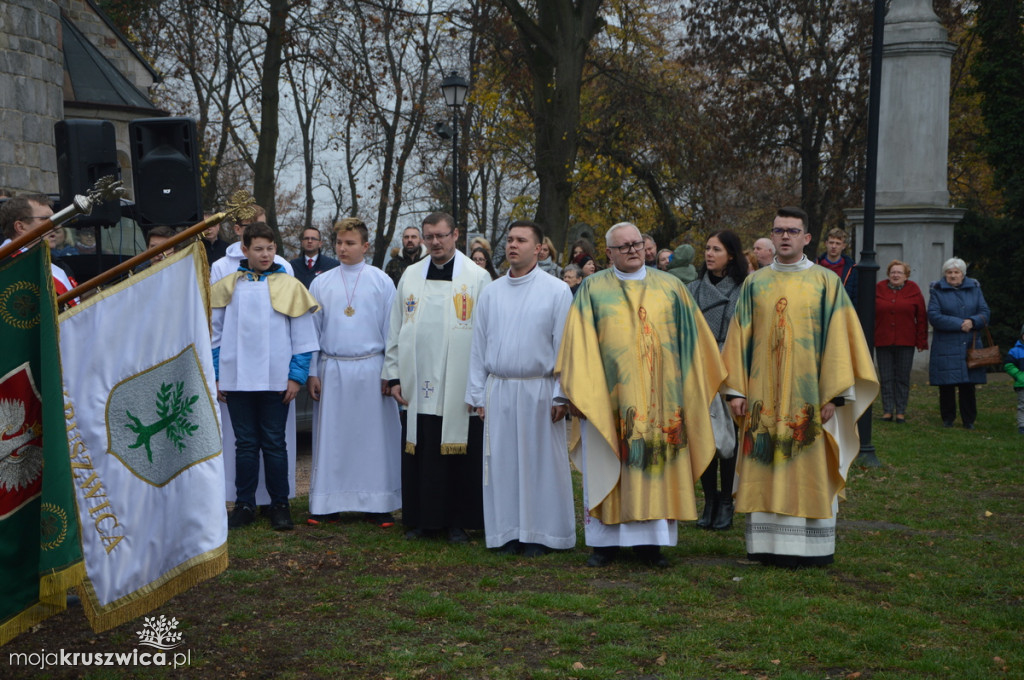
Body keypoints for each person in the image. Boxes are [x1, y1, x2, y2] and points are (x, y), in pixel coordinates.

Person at [556, 222, 725, 568]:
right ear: (609, 253)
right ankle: (604, 545)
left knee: (656, 466)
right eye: (624, 246)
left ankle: (651, 545)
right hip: (607, 399)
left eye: (637, 243)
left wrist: (692, 388)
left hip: (661, 399)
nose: (633, 250)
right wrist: (576, 392)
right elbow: (577, 344)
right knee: (608, 460)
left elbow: (695, 344)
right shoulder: (591, 289)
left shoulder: (671, 287)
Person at [722, 206, 877, 567]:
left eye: (793, 231)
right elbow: (738, 338)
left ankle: (811, 549)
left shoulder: (826, 282)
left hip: (810, 397)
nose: (786, 236)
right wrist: (736, 391)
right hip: (763, 395)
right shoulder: (755, 283)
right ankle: (766, 546)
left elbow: (839, 340)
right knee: (764, 458)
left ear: (806, 238)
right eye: (779, 231)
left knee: (808, 462)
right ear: (772, 237)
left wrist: (834, 395)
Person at [466, 220, 575, 556]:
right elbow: (478, 345)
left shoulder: (556, 291)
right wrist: (476, 393)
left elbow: (564, 349)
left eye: (521, 240)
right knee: (502, 464)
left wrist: (562, 393)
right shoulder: (492, 291)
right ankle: (507, 533)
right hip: (499, 389)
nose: (513, 245)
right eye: (510, 239)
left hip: (539, 390)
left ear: (539, 248)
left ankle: (543, 534)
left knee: (540, 464)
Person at [383, 212, 491, 543]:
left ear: (455, 234)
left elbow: (487, 333)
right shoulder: (411, 276)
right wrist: (393, 375)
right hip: (418, 380)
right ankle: (419, 520)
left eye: (441, 236)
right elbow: (396, 327)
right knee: (423, 450)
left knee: (458, 453)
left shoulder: (477, 277)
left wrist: (482, 384)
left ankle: (458, 521)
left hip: (459, 381)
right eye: (429, 237)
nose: (435, 243)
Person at [211, 222, 319, 531]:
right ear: (244, 249)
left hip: (276, 380)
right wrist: (218, 375)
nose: (265, 254)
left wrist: (296, 377)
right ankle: (244, 503)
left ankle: (279, 504)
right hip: (237, 378)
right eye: (258, 249)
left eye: (270, 249)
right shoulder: (228, 285)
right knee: (245, 444)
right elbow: (214, 335)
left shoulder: (288, 284)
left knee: (274, 443)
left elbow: (302, 336)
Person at [307, 218, 401, 527]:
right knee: (334, 438)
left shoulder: (381, 281)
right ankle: (328, 503)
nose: (343, 248)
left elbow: (392, 330)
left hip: (371, 368)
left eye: (350, 243)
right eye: (339, 243)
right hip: (333, 368)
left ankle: (378, 504)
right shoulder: (321, 283)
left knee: (373, 439)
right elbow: (312, 331)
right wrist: (312, 371)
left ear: (365, 246)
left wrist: (391, 371)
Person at [687, 230, 747, 531]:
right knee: (705, 435)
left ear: (731, 255)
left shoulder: (744, 289)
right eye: (707, 248)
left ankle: (726, 502)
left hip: (730, 367)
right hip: (699, 368)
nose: (710, 254)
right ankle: (709, 499)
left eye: (717, 250)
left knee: (729, 438)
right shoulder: (692, 289)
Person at [927, 257, 990, 429]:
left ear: (963, 274)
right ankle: (948, 418)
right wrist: (960, 324)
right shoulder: (937, 290)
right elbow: (934, 316)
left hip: (970, 343)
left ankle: (968, 419)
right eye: (949, 272)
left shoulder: (975, 290)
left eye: (956, 272)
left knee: (968, 385)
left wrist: (973, 321)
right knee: (946, 384)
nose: (953, 275)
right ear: (945, 274)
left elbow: (985, 312)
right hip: (946, 344)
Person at [875, 260, 928, 424]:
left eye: (899, 272)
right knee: (886, 377)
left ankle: (901, 411)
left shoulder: (914, 290)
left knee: (902, 377)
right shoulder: (879, 289)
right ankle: (887, 410)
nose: (895, 275)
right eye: (893, 272)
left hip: (906, 340)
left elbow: (921, 317)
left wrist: (921, 341)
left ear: (906, 276)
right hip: (883, 340)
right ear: (888, 274)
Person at [0, 193, 77, 301]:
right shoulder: (6, 266)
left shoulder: (58, 265)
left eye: (54, 219)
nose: (57, 226)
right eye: (46, 219)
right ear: (20, 227)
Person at [210, 205, 294, 283]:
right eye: (252, 226)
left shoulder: (283, 266)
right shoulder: (221, 267)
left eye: (262, 225)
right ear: (237, 229)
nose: (259, 230)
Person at [815, 228, 858, 301]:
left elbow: (855, 297)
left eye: (838, 243)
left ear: (843, 246)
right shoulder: (815, 266)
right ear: (826, 243)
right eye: (831, 242)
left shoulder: (852, 269)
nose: (834, 246)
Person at [1005, 323, 1024, 435]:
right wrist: (1018, 375)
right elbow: (1008, 365)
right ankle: (1022, 426)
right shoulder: (1015, 351)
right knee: (1023, 406)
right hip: (1022, 384)